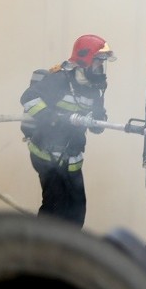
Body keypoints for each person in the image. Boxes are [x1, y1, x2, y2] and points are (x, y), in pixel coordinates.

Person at [20, 34, 116, 229]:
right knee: (54, 211)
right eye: (98, 63)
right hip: (48, 155)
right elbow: (28, 98)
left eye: (102, 64)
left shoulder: (94, 89)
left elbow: (97, 124)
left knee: (77, 212)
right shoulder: (60, 80)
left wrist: (97, 122)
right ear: (85, 60)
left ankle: (66, 254)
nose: (100, 69)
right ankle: (40, 253)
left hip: (72, 159)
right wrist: (53, 117)